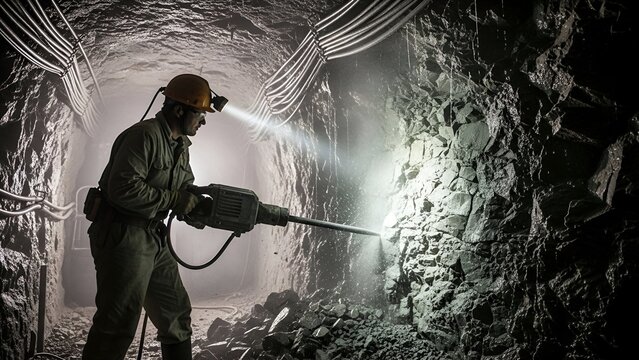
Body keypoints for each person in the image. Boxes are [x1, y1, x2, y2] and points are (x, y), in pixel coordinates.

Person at [82, 74, 218, 360]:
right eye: (200, 113)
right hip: (124, 235)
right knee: (117, 324)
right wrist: (175, 200)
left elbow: (183, 188)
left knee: (176, 315)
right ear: (179, 109)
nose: (203, 121)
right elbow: (123, 188)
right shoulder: (144, 136)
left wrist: (195, 207)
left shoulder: (180, 147)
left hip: (153, 238)